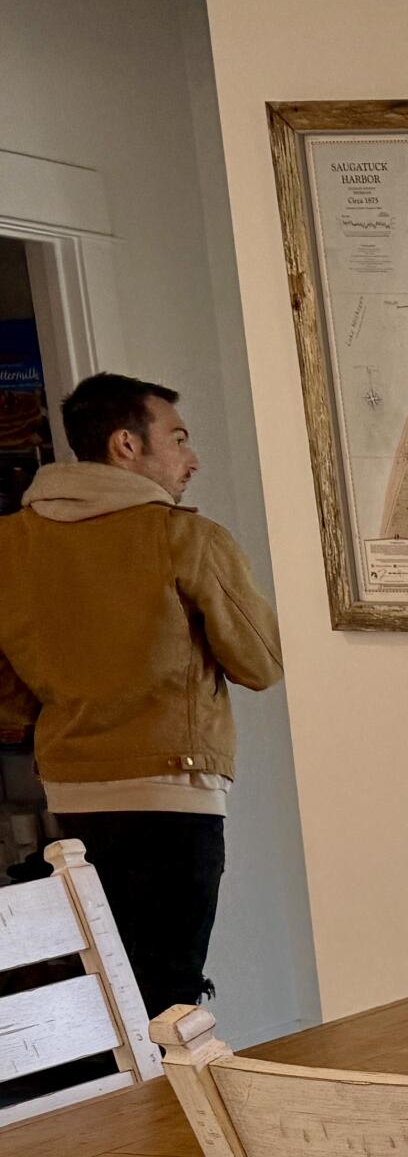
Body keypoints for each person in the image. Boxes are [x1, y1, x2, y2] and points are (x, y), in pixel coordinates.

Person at [0, 372, 282, 1011]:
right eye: (178, 438)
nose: (192, 458)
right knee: (170, 993)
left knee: (101, 990)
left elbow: (10, 698)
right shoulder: (184, 537)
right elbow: (260, 663)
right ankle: (175, 1114)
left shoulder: (10, 545)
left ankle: (104, 1107)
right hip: (171, 791)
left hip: (71, 794)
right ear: (127, 446)